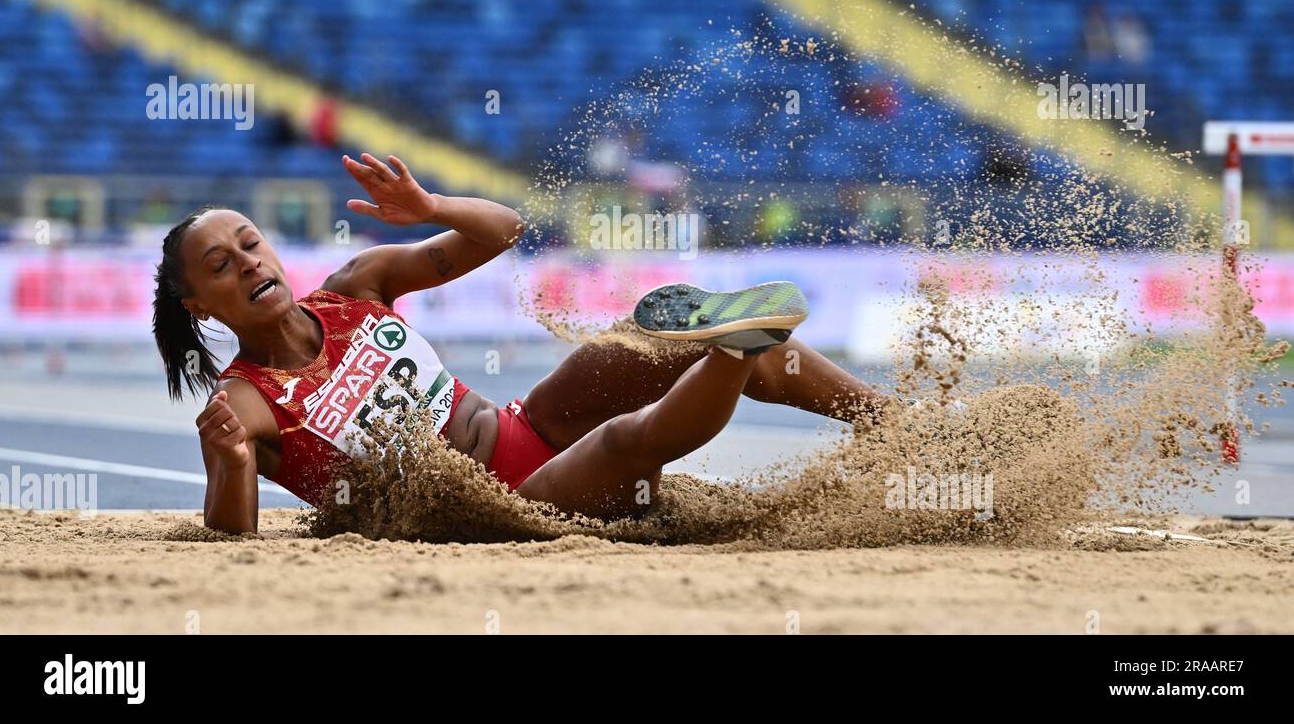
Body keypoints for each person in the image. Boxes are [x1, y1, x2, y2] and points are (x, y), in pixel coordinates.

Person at [153, 153, 890, 534]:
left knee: (633, 346)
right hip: (507, 509)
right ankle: (731, 349)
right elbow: (233, 539)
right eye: (222, 265)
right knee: (626, 441)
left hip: (525, 427)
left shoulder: (356, 286)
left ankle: (897, 423)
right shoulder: (243, 402)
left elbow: (503, 229)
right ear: (198, 304)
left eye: (250, 243)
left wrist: (429, 206)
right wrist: (231, 462)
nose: (248, 262)